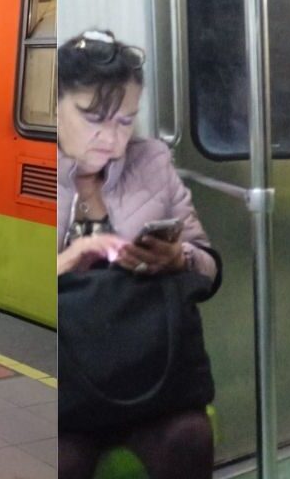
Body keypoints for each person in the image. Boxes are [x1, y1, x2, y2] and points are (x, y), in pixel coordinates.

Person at [57, 30, 220, 479]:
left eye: (125, 121)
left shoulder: (152, 163)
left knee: (189, 437)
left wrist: (179, 258)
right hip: (66, 381)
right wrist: (67, 261)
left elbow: (208, 267)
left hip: (150, 373)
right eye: (94, 118)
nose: (112, 139)